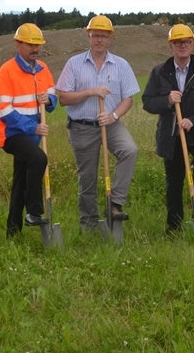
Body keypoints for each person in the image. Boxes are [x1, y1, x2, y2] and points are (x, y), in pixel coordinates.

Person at [56, 15, 139, 231]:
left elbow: (128, 99)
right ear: (89, 36)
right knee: (88, 178)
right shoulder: (74, 64)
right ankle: (89, 224)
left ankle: (115, 204)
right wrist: (91, 92)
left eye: (103, 36)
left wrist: (113, 116)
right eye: (95, 36)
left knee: (129, 150)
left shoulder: (121, 65)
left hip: (110, 124)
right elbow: (63, 98)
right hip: (82, 126)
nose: (99, 40)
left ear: (110, 38)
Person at [141, 24, 194, 234]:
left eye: (186, 42)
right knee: (174, 181)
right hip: (171, 133)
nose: (182, 46)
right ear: (171, 46)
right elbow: (148, 102)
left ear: (192, 44)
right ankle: (174, 226)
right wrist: (167, 100)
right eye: (178, 42)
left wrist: (193, 121)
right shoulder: (160, 71)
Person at [0, 23, 58, 237]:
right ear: (18, 44)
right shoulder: (6, 72)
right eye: (30, 44)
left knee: (20, 181)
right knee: (38, 159)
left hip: (33, 135)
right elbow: (4, 111)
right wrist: (33, 127)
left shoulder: (43, 70)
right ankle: (34, 212)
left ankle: (12, 231)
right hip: (11, 134)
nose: (35, 49)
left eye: (37, 45)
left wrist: (49, 100)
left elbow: (53, 97)